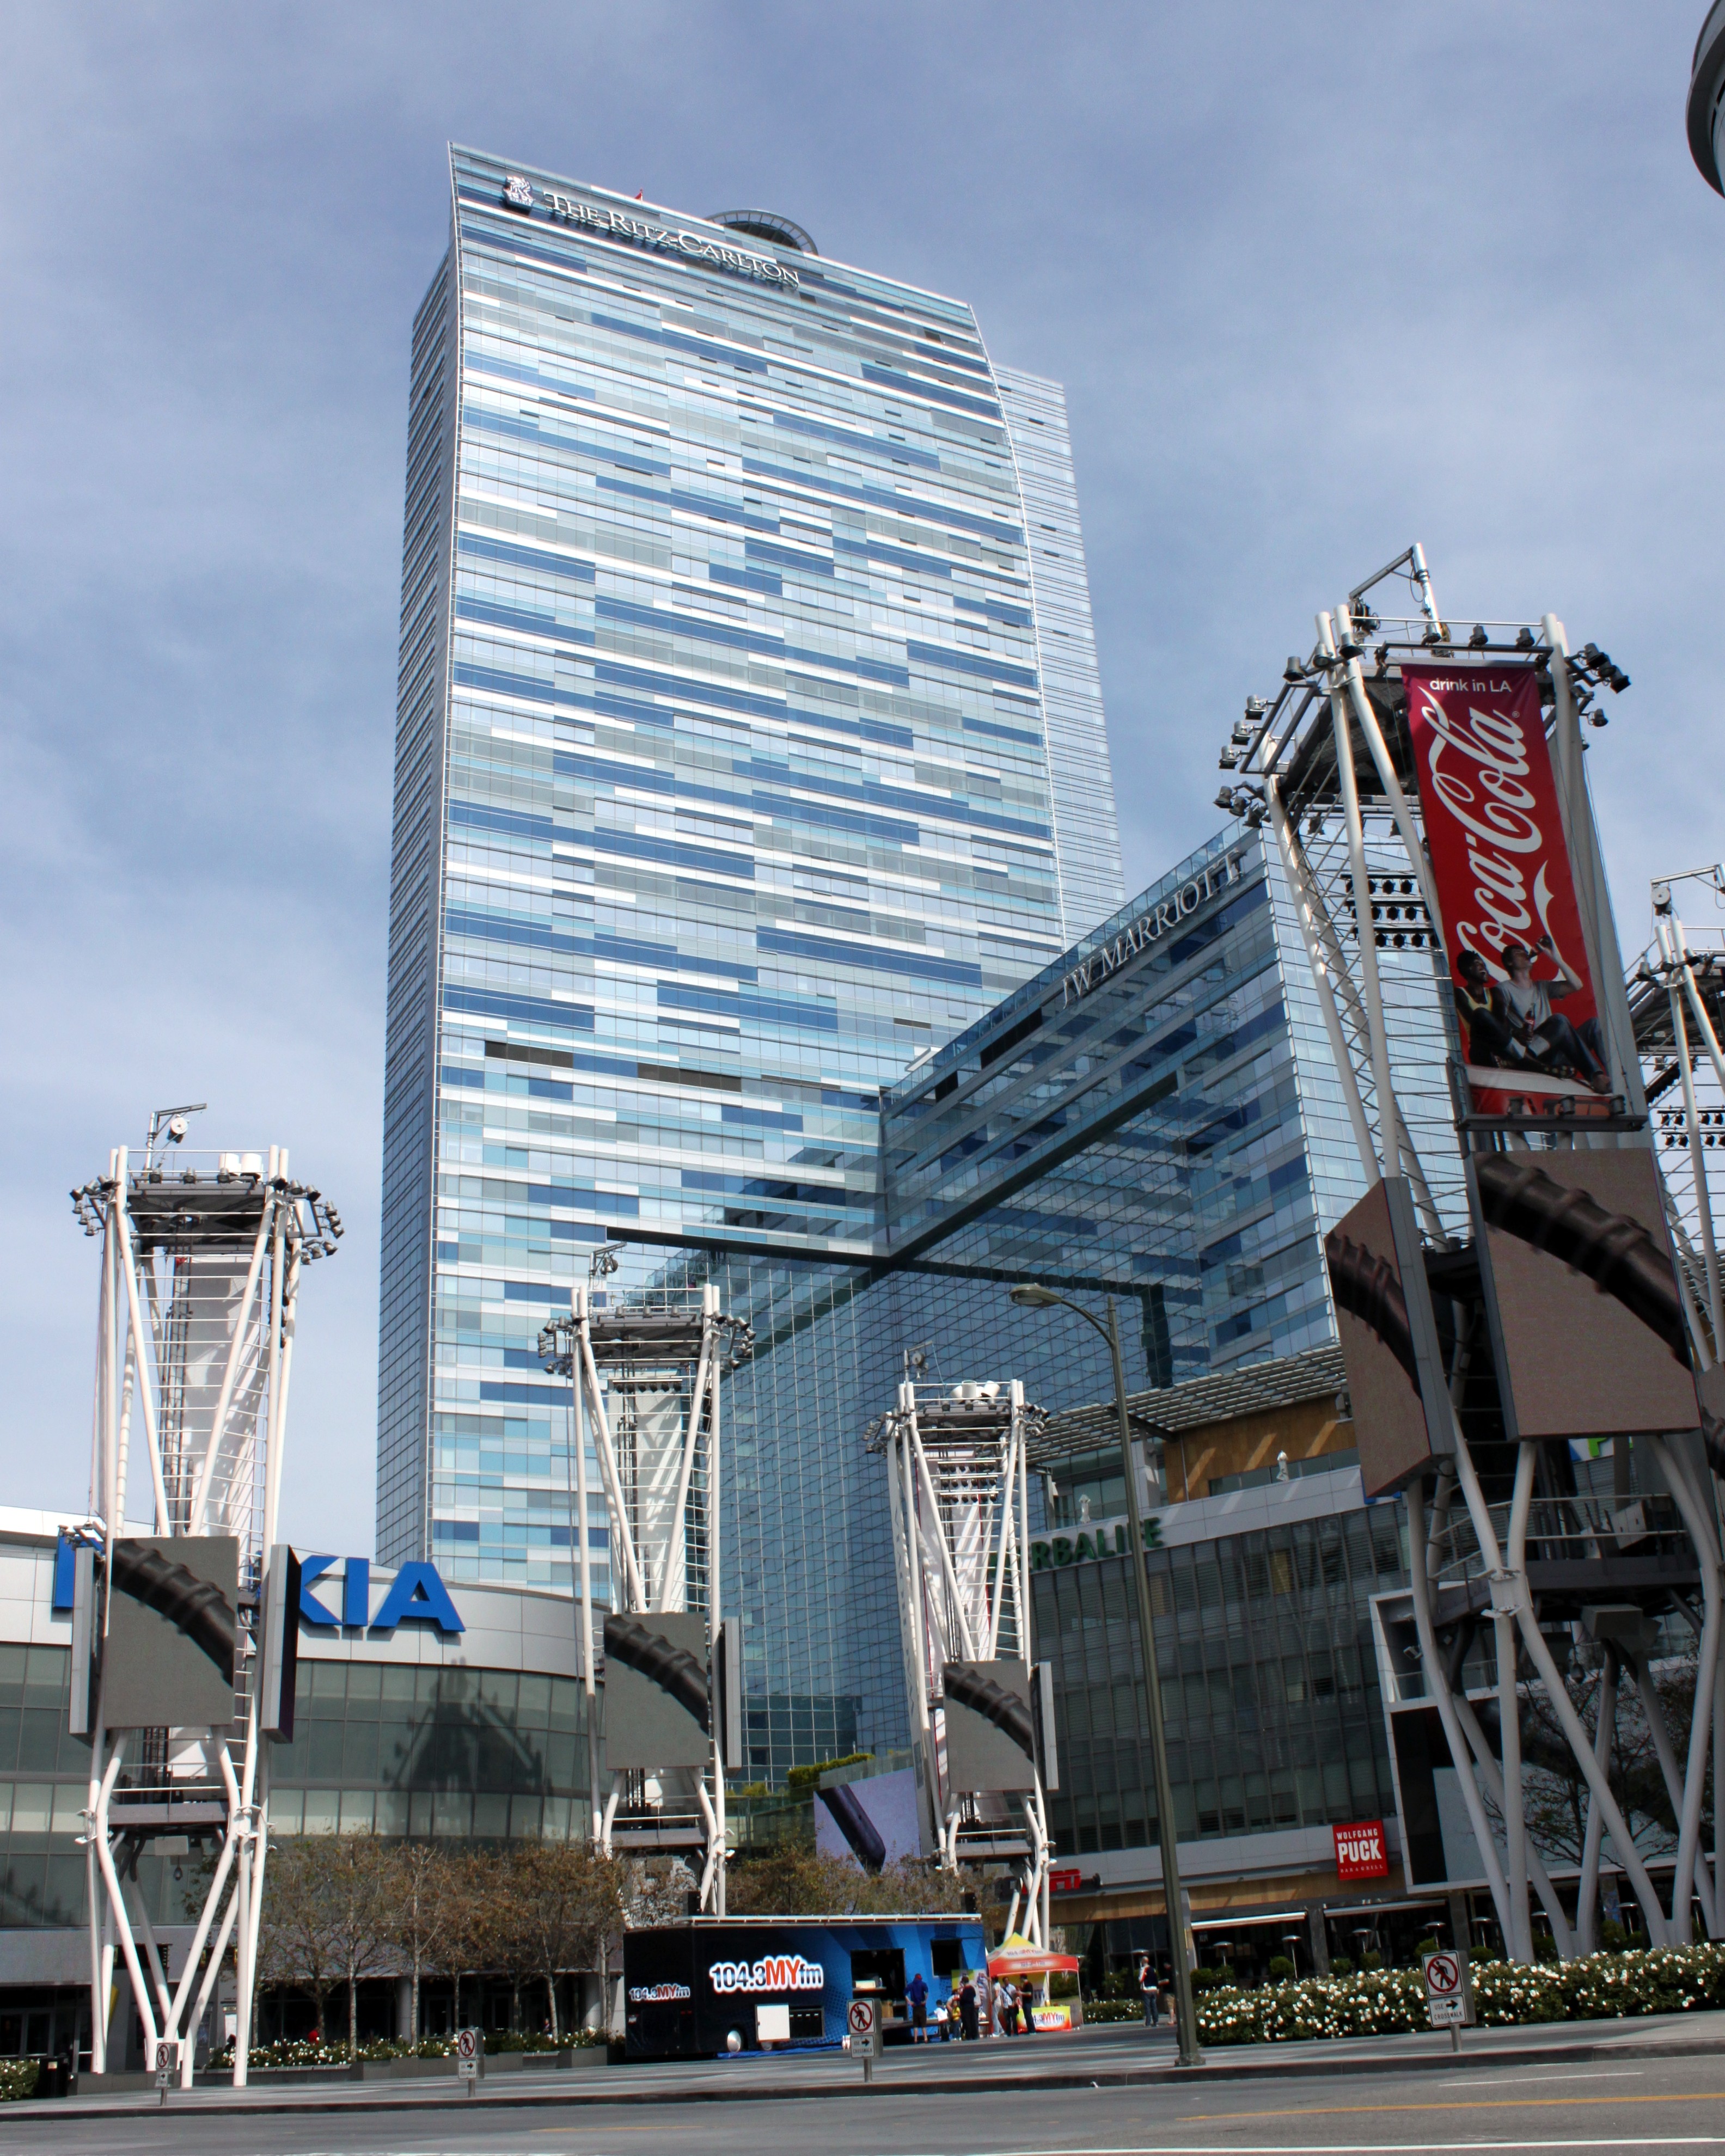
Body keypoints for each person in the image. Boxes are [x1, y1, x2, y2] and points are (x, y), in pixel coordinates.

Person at [907, 1967, 929, 2043]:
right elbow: (927, 1992)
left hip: (915, 2007)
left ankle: (915, 2039)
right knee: (923, 2024)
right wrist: (925, 2001)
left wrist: (910, 2002)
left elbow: (905, 1993)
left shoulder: (911, 1985)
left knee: (915, 2025)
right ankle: (925, 2038)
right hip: (922, 2006)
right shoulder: (923, 1984)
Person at [1139, 1955, 1161, 2029]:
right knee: (1154, 2005)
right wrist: (1157, 1988)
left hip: (1146, 1990)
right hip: (1154, 1989)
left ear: (1143, 1962)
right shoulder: (1153, 1969)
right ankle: (1156, 2021)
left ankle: (1148, 2022)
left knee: (1147, 2006)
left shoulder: (1144, 1969)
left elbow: (1141, 1980)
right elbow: (1156, 1979)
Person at [958, 1977, 979, 2041]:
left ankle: (969, 2036)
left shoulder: (965, 1989)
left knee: (967, 2022)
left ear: (963, 1982)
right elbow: (974, 1995)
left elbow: (964, 1998)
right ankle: (975, 2035)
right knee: (973, 2021)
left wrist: (961, 1996)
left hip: (966, 2007)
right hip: (972, 2006)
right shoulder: (972, 1988)